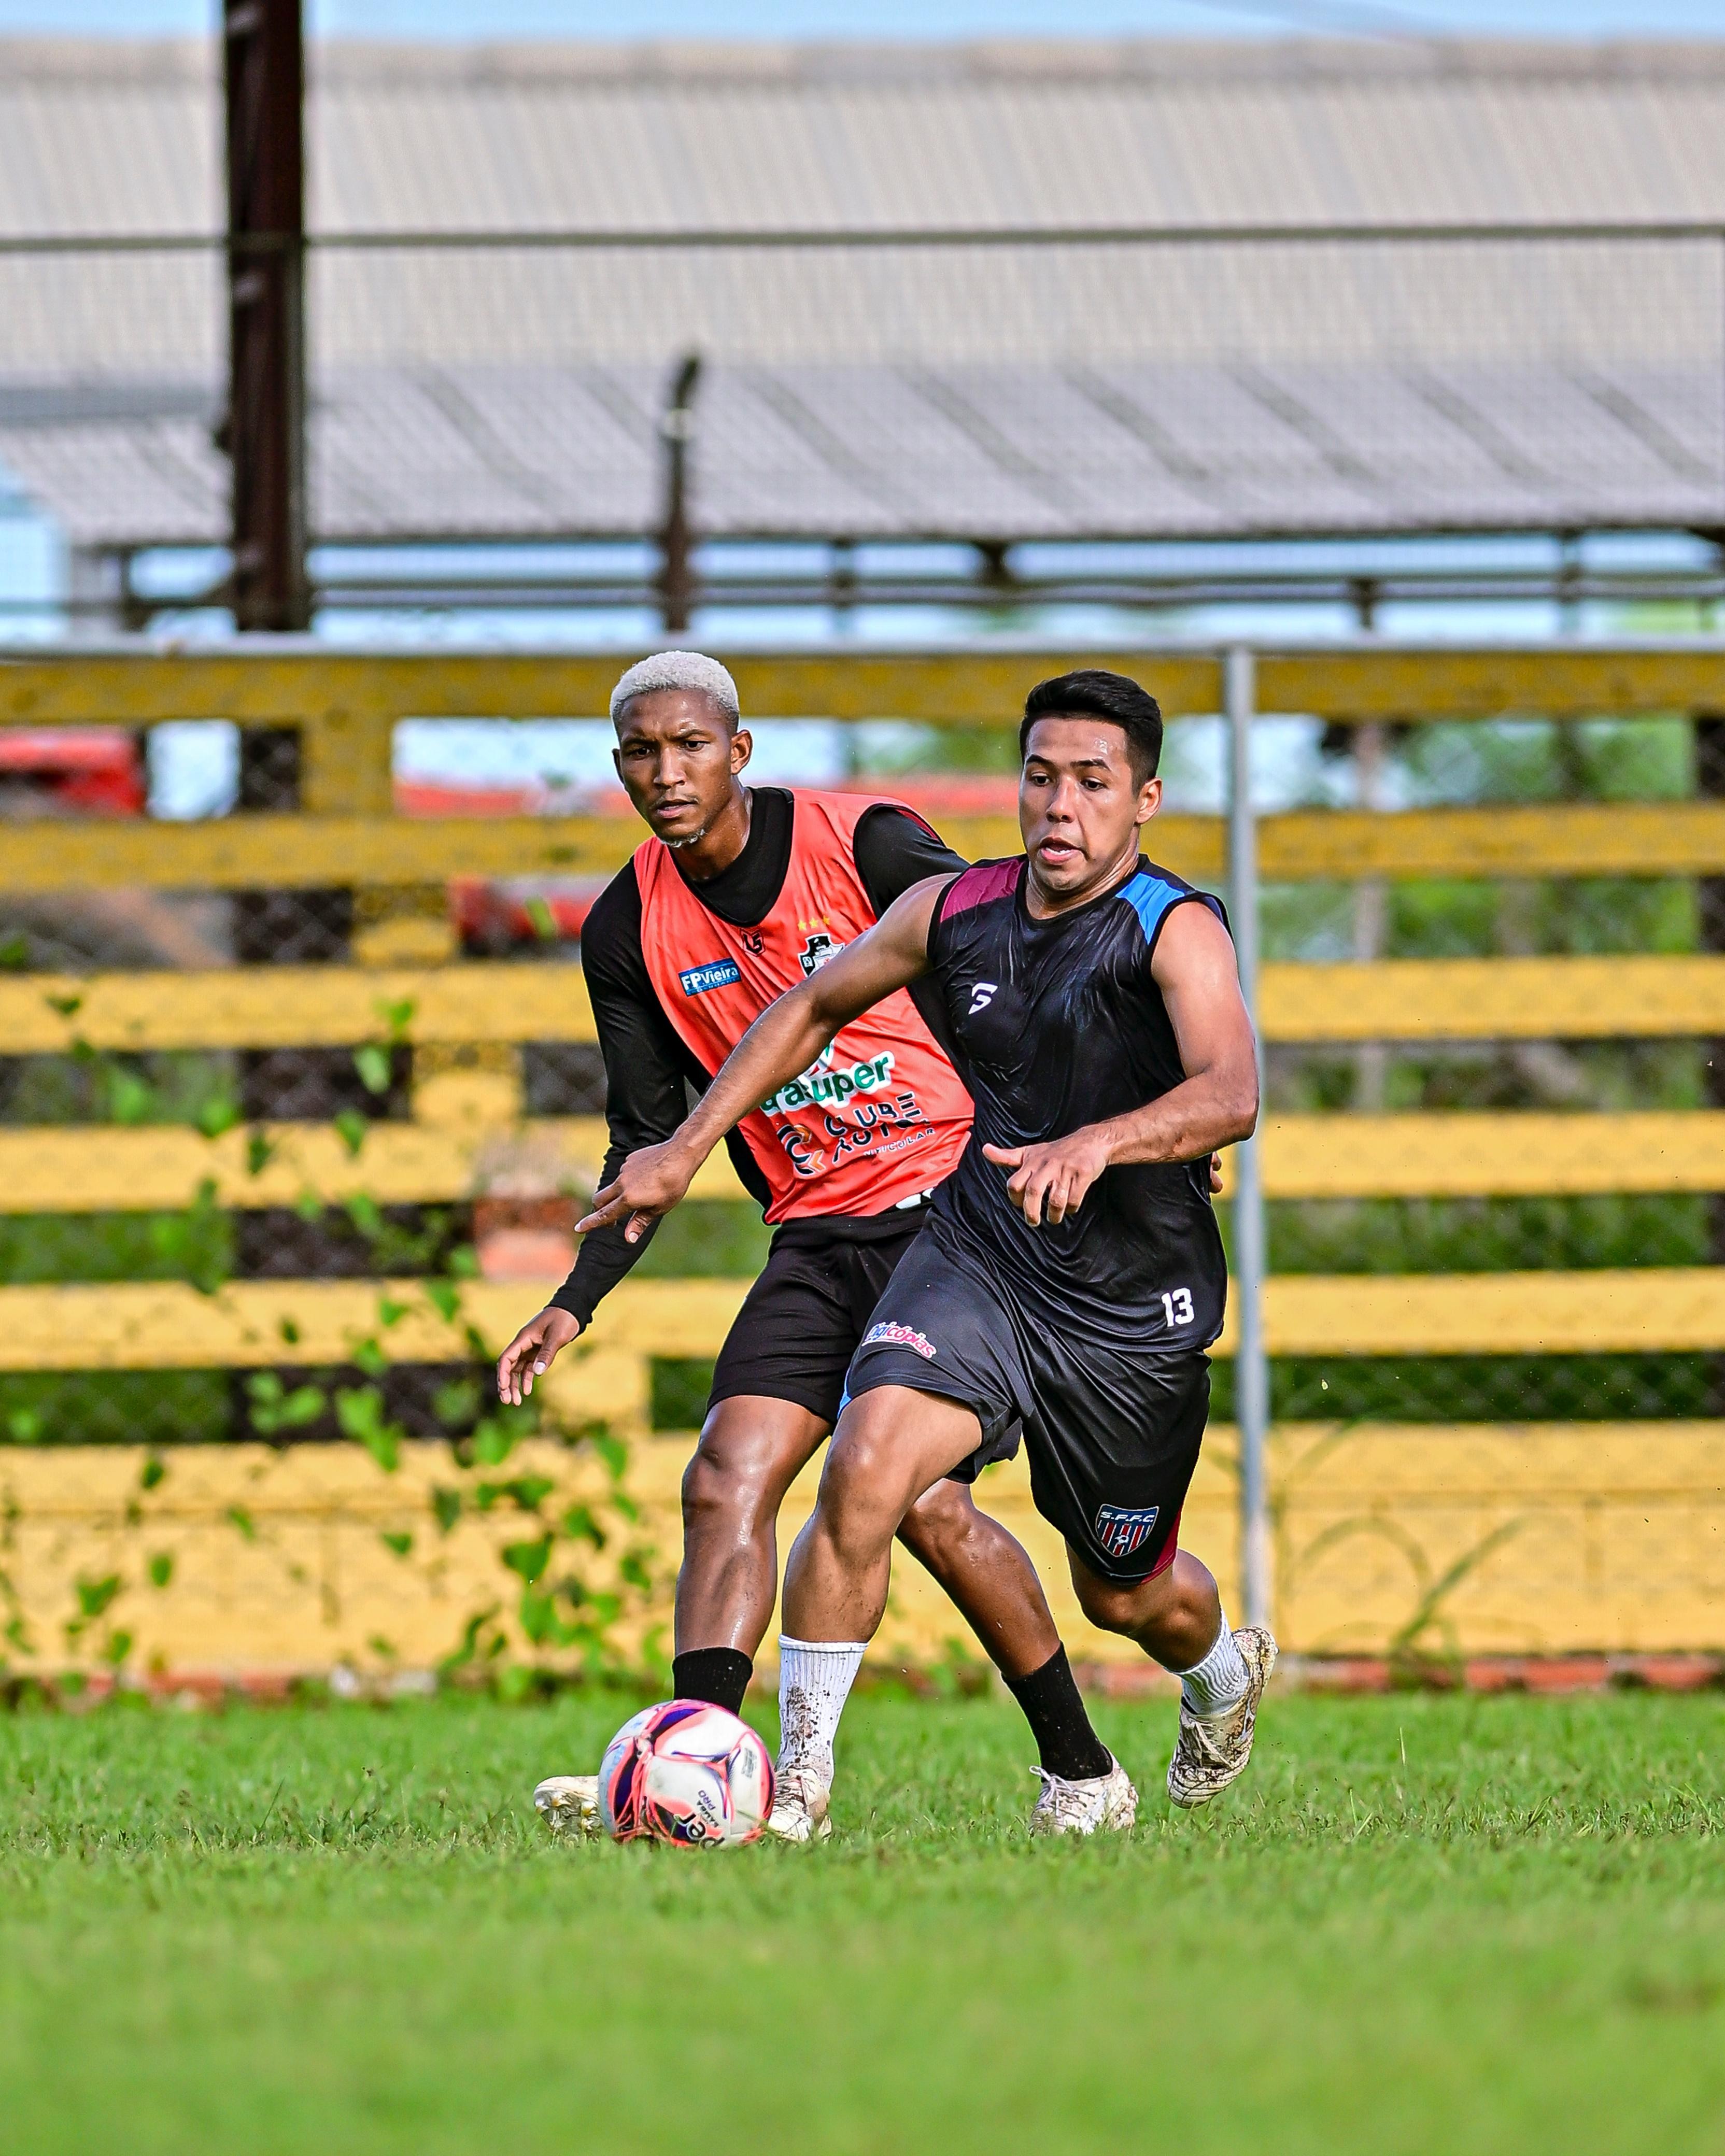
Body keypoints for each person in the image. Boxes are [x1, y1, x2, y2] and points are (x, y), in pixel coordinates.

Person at [577, 668, 1278, 1840]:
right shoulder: (956, 911)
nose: (1059, 806)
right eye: (1040, 777)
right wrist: (688, 1145)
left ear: (1143, 799)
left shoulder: (1175, 925)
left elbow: (1233, 1089)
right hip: (982, 1255)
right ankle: (790, 1786)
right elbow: (807, 1004)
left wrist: (1108, 1141)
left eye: (1091, 784)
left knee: (1126, 1590)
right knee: (866, 1466)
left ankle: (1215, 1672)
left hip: (1126, 1305)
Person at [498, 651, 1125, 1841]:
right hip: (812, 1233)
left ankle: (1082, 1769)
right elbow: (648, 1135)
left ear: (738, 751)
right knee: (723, 1476)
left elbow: (1017, 966)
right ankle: (697, 1767)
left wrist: (1097, 1136)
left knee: (922, 1506)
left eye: (690, 746)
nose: (665, 771)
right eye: (641, 751)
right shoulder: (627, 923)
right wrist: (574, 1299)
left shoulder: (867, 844)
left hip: (952, 1221)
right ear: (618, 766)